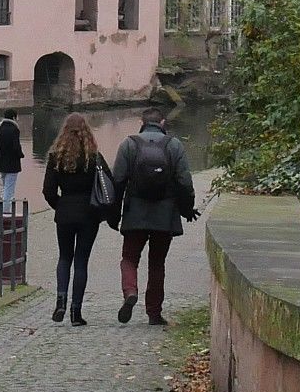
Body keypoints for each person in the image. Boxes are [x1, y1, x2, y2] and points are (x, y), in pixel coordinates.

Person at [110, 106, 197, 325]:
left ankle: (130, 291)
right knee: (157, 263)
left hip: (135, 213)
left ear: (142, 121)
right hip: (165, 214)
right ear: (163, 123)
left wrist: (114, 213)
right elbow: (185, 182)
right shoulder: (174, 145)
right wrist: (187, 210)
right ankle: (154, 313)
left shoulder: (129, 144)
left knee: (129, 258)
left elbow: (117, 181)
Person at [40, 113, 111, 325]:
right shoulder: (94, 157)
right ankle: (76, 312)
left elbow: (48, 191)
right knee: (81, 262)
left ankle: (60, 300)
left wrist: (59, 205)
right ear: (86, 131)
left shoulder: (56, 157)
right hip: (89, 214)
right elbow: (108, 184)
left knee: (64, 258)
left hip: (65, 213)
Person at [0, 108, 24, 207]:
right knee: (9, 188)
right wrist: (21, 154)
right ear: (13, 117)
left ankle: (3, 208)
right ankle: (6, 212)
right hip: (12, 163)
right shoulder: (14, 129)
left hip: (1, 161)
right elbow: (16, 146)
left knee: (4, 187)